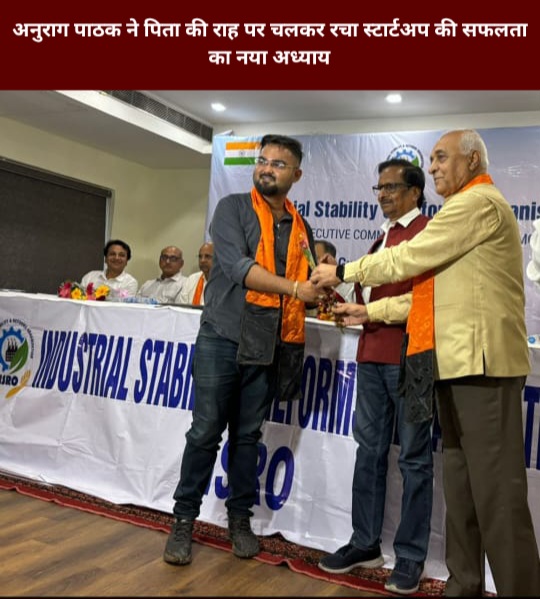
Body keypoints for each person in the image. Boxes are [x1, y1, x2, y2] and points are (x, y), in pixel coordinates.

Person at [311, 129, 540, 597]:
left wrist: (345, 271)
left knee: (497, 495)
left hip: (484, 369)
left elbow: (410, 258)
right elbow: (426, 301)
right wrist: (370, 311)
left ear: (472, 160)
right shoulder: (460, 212)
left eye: (440, 157)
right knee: (462, 492)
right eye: (432, 158)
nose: (432, 166)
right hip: (454, 366)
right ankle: (463, 585)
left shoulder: (477, 202)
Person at [163, 134, 320, 567]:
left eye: (278, 164)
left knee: (248, 437)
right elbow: (237, 268)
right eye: (262, 160)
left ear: (296, 175)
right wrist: (296, 288)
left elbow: (307, 280)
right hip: (222, 336)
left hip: (267, 343)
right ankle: (183, 520)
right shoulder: (232, 208)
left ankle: (239, 519)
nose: (267, 168)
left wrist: (322, 287)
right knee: (204, 432)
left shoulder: (300, 227)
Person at [317, 159, 433, 595]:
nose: (382, 194)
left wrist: (365, 309)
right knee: (369, 453)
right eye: (379, 188)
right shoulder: (382, 236)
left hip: (410, 357)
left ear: (415, 192)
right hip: (370, 356)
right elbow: (365, 296)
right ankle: (365, 543)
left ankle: (411, 556)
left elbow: (423, 301)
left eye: (391, 187)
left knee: (414, 459)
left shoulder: (426, 233)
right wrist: (339, 295)